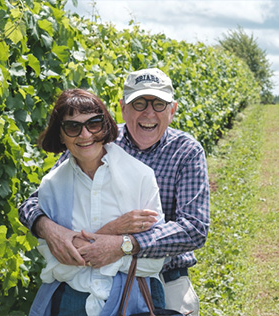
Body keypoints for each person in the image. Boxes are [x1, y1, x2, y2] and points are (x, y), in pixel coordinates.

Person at [19, 68, 210, 316]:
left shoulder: (186, 152)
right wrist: (48, 228)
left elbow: (194, 228)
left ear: (172, 110)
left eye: (159, 104)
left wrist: (124, 244)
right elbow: (37, 201)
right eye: (139, 103)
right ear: (123, 108)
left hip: (164, 275)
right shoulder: (94, 138)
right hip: (89, 278)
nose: (149, 113)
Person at [28, 89, 165, 316]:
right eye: (73, 127)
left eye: (94, 123)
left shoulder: (140, 176)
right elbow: (57, 266)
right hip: (70, 304)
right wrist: (114, 233)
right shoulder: (52, 186)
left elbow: (154, 262)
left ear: (106, 126)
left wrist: (88, 249)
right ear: (61, 135)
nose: (85, 135)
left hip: (131, 301)